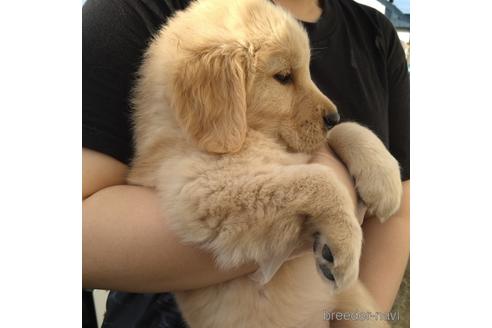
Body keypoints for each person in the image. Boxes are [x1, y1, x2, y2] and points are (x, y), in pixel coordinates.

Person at [82, 0, 410, 326]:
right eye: (284, 76)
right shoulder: (132, 12)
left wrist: (350, 141)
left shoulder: (375, 33)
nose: (328, 107)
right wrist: (324, 193)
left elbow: (398, 210)